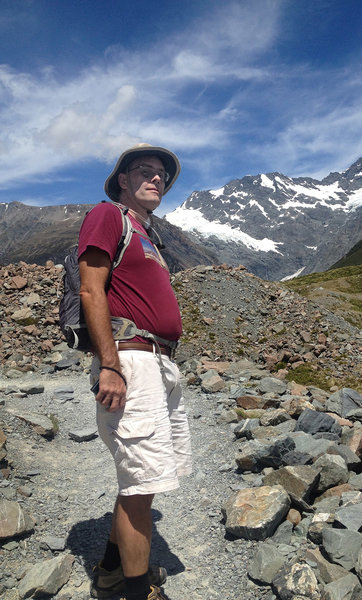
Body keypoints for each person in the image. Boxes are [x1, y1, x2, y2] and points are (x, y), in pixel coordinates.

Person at [78, 143, 192, 600]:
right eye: (144, 171)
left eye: (162, 174)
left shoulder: (147, 233)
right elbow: (91, 290)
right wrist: (110, 365)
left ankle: (110, 570)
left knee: (140, 481)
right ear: (121, 180)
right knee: (143, 479)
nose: (156, 178)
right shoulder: (109, 216)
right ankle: (136, 590)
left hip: (158, 361)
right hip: (132, 359)